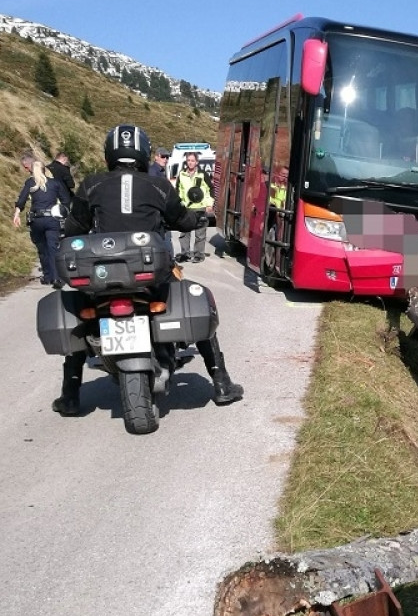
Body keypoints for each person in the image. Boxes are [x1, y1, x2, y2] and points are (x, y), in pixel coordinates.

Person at [52, 124, 244, 416]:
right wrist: (197, 219)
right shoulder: (158, 185)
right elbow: (184, 220)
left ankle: (69, 394)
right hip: (151, 273)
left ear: (109, 153)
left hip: (101, 278)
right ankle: (221, 382)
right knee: (195, 300)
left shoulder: (91, 184)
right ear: (143, 153)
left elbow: (74, 227)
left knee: (81, 314)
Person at [12, 152, 71, 289]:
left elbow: (22, 199)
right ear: (45, 170)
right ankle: (56, 278)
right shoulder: (55, 183)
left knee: (42, 248)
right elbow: (66, 200)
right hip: (52, 219)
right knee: (53, 248)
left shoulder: (30, 183)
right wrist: (62, 212)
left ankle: (48, 276)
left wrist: (16, 213)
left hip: (36, 220)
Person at [174, 151, 213, 263]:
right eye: (188, 160)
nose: (190, 163)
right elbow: (178, 190)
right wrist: (179, 203)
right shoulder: (182, 174)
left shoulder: (202, 174)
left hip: (200, 207)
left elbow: (210, 189)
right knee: (184, 232)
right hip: (186, 208)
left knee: (200, 233)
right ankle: (185, 253)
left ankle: (198, 254)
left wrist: (209, 204)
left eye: (192, 161)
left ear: (197, 162)